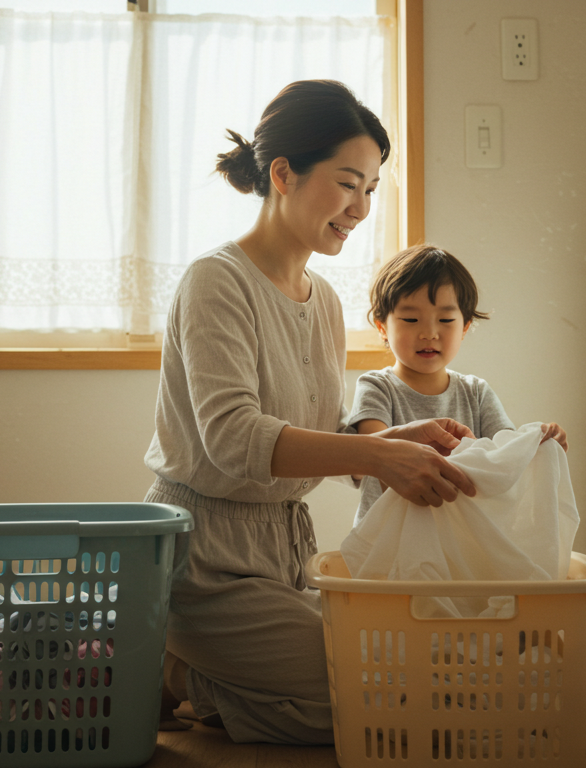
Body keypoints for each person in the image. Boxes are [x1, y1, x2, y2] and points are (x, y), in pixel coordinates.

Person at [143, 80, 477, 745]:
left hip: (285, 555)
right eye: (349, 182)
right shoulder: (216, 280)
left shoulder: (322, 299)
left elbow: (310, 439)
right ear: (283, 173)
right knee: (384, 702)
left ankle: (197, 682)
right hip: (205, 562)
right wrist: (378, 454)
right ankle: (188, 674)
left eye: (372, 188)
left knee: (412, 682)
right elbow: (235, 439)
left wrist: (397, 438)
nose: (361, 207)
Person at [347, 244, 569, 523]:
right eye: (411, 319)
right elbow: (372, 452)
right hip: (389, 539)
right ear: (382, 327)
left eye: (445, 319)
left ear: (465, 327)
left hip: (460, 539)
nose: (429, 333)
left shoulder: (475, 392)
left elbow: (505, 459)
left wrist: (538, 446)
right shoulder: (377, 387)